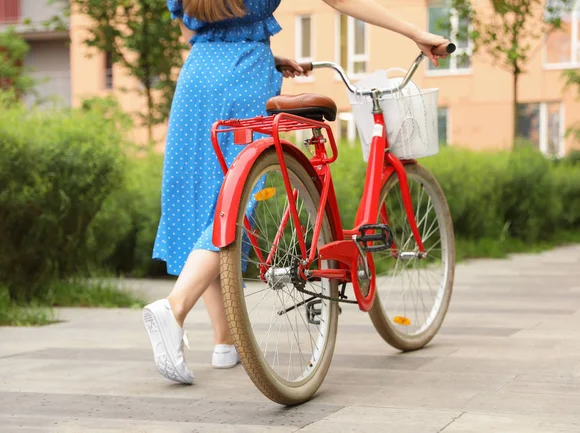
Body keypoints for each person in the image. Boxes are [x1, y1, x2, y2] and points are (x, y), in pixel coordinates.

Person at [143, 0, 449, 384]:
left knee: (206, 205)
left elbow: (190, 32)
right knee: (234, 208)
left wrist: (266, 52)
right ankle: (174, 309)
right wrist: (416, 33)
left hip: (196, 80)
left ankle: (224, 343)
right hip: (243, 75)